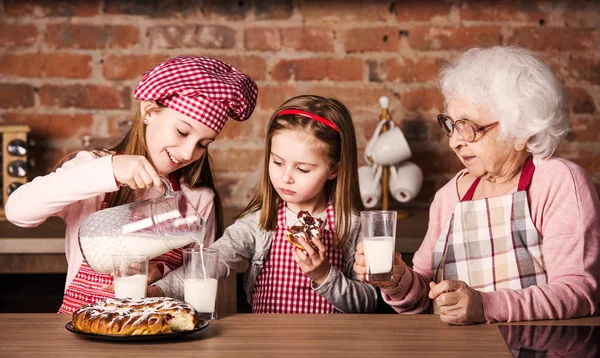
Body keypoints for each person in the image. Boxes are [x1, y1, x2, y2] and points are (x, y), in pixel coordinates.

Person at [354, 46, 600, 324]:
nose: (454, 141)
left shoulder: (557, 182)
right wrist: (397, 280)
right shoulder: (449, 197)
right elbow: (424, 300)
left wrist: (485, 305)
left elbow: (578, 292)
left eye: (470, 127)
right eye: (452, 125)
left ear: (520, 131)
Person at [5, 56, 258, 314]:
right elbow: (18, 211)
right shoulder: (94, 171)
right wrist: (108, 170)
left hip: (160, 334)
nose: (187, 152)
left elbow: (198, 272)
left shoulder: (197, 200)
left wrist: (160, 270)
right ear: (148, 112)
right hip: (83, 332)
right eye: (182, 132)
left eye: (203, 144)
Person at [150, 95, 377, 313]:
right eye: (278, 162)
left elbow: (367, 304)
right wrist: (159, 290)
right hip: (268, 344)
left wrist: (324, 275)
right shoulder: (258, 224)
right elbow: (212, 262)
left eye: (302, 169)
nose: (286, 177)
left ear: (334, 169)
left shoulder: (353, 226)